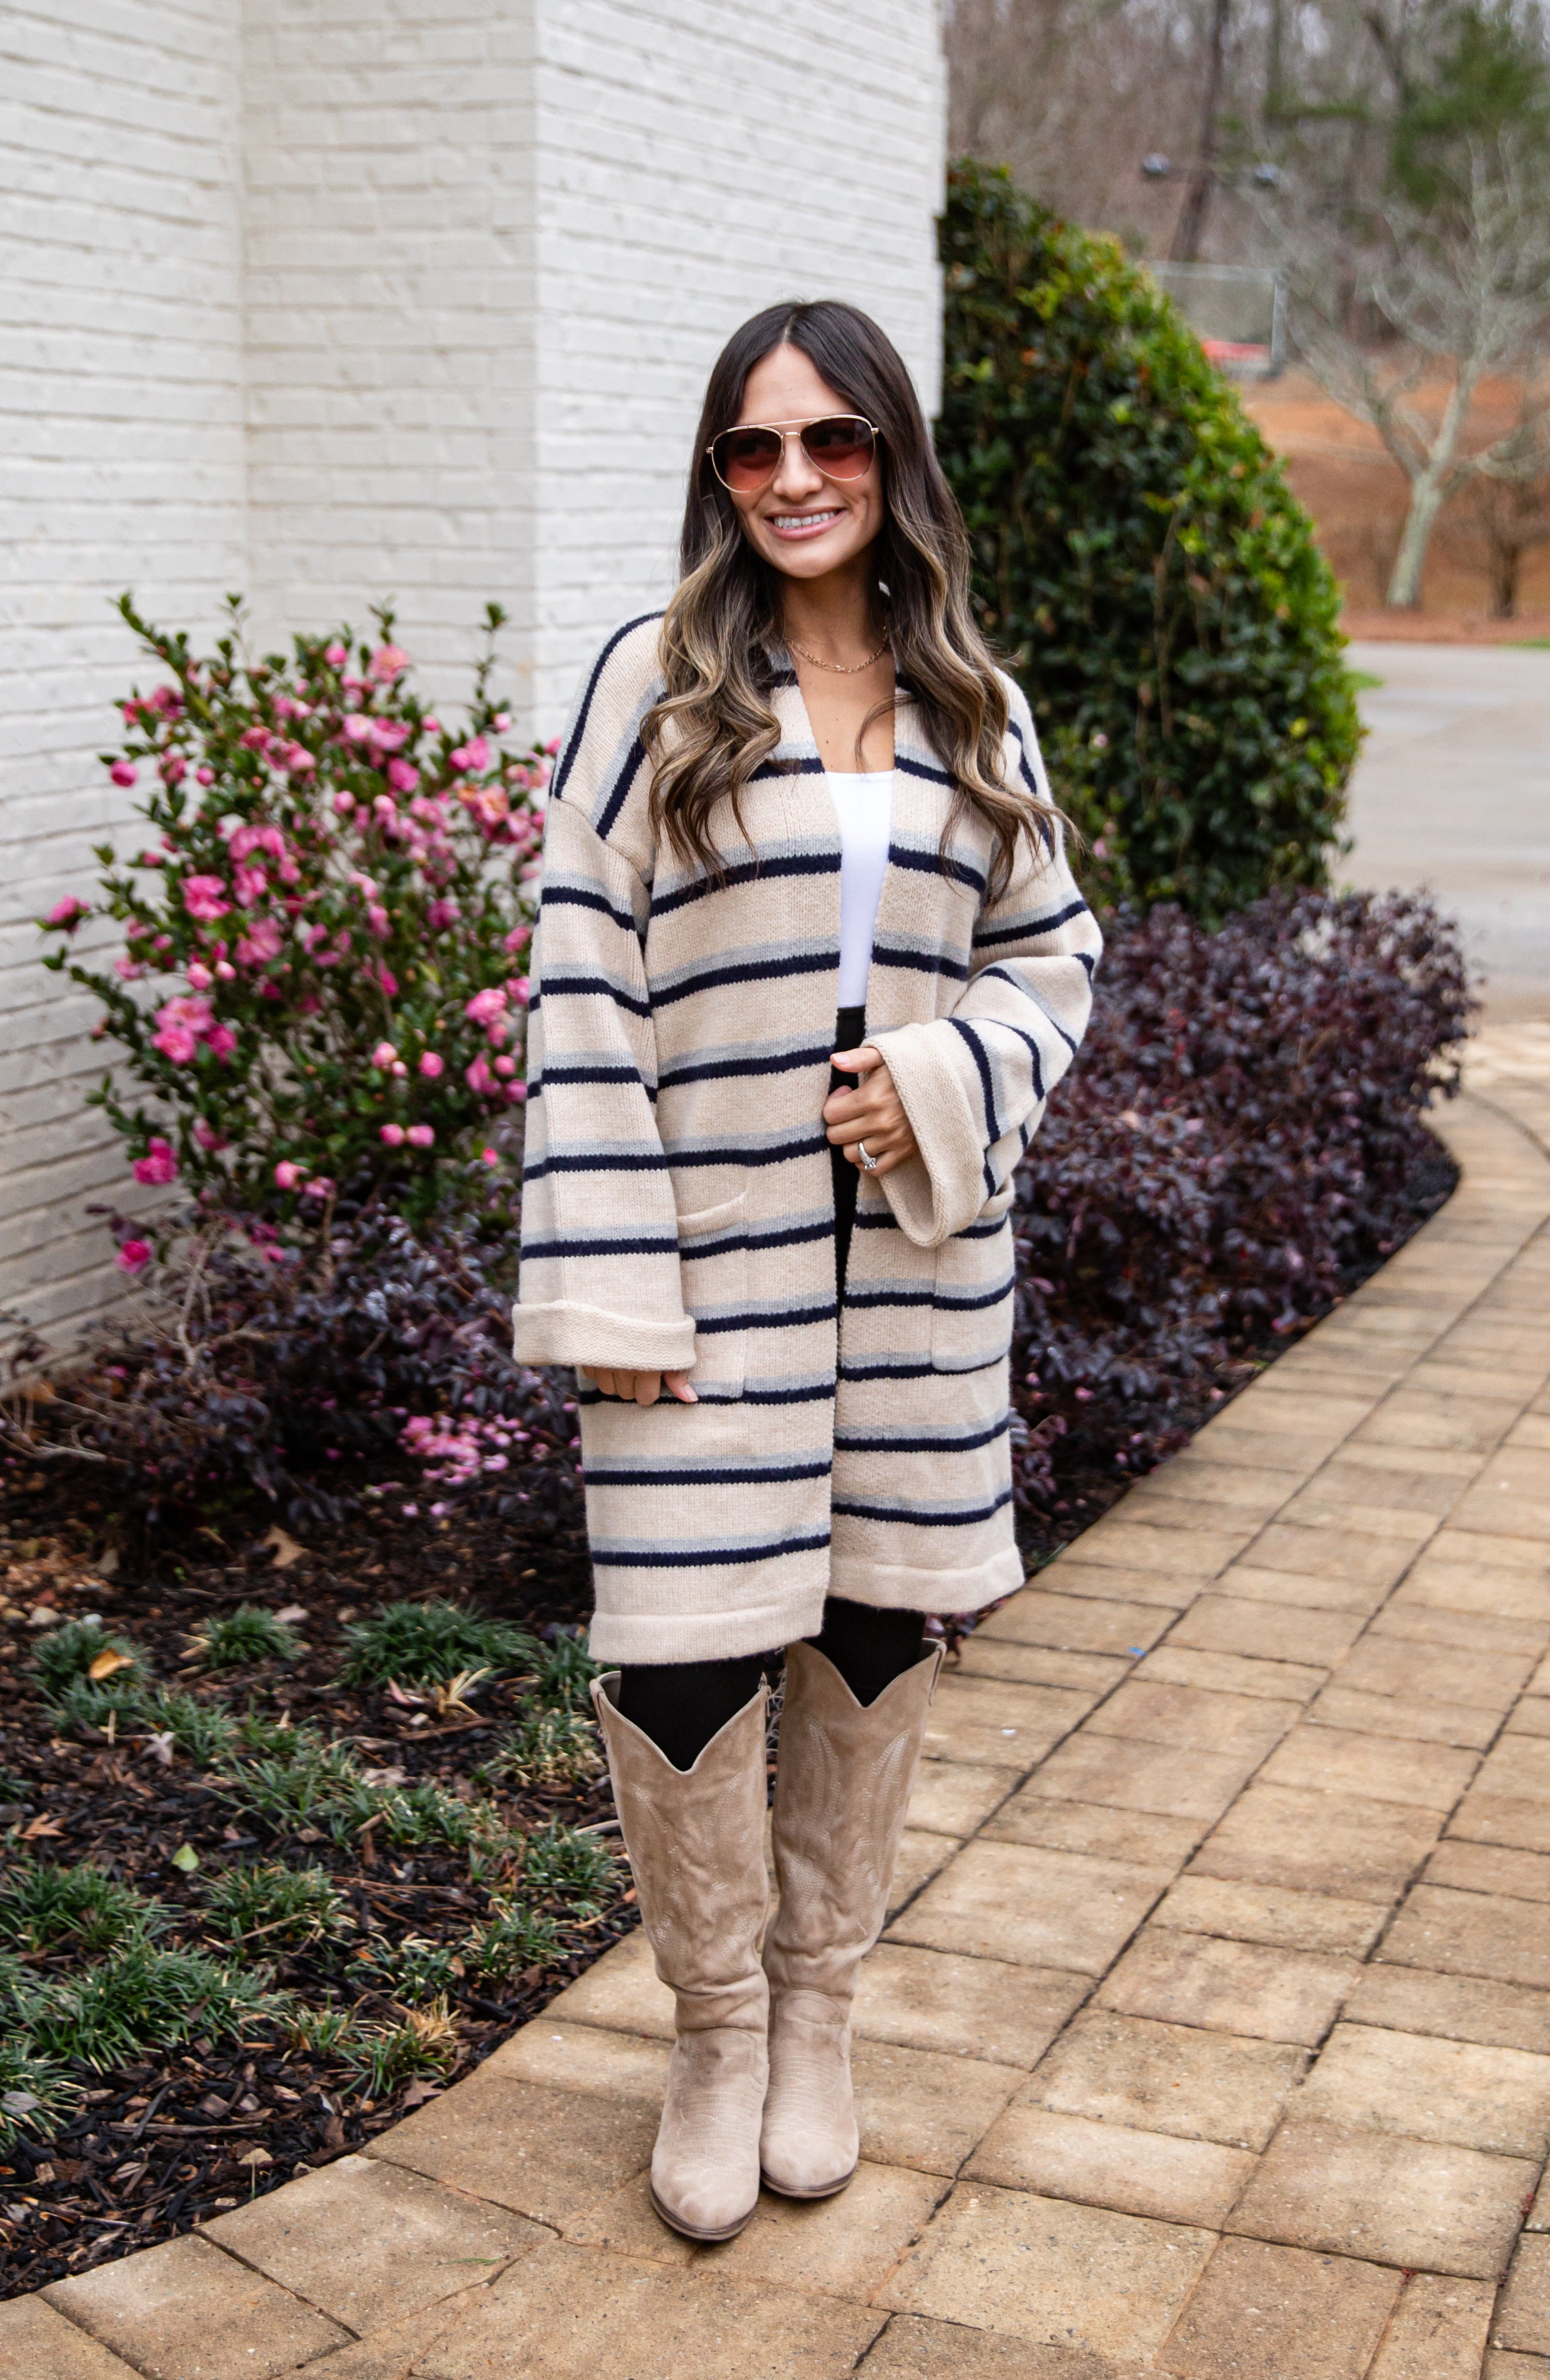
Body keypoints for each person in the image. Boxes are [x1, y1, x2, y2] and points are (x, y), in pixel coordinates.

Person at [513, 299, 1099, 2243]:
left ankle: (818, 2016)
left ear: (891, 460)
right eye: (752, 449)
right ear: (716, 474)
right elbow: (578, 986)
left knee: (867, 1627)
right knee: (680, 1649)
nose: (791, 480)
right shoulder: (652, 688)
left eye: (831, 442)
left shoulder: (973, 707)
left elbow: (1054, 961)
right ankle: (708, 2030)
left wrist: (940, 1079)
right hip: (699, 1259)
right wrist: (611, 1295)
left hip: (922, 1271)